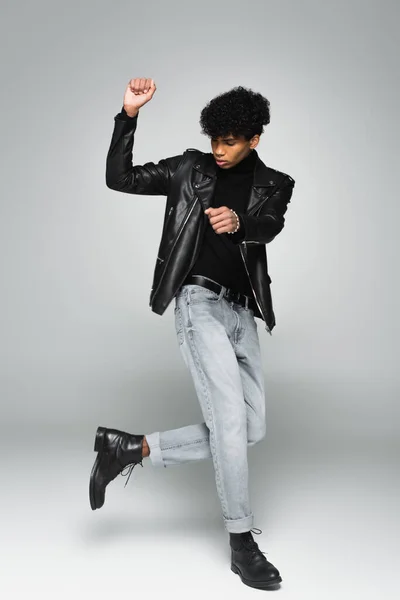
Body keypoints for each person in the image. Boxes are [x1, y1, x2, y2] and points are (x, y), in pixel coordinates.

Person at [89, 78, 295, 590]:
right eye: (215, 140)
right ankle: (241, 542)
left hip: (241, 312)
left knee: (251, 428)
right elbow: (121, 178)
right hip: (197, 301)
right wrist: (128, 116)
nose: (220, 151)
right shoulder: (189, 168)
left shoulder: (276, 184)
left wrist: (239, 222)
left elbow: (268, 225)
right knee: (228, 419)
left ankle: (129, 449)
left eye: (230, 141)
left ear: (255, 139)